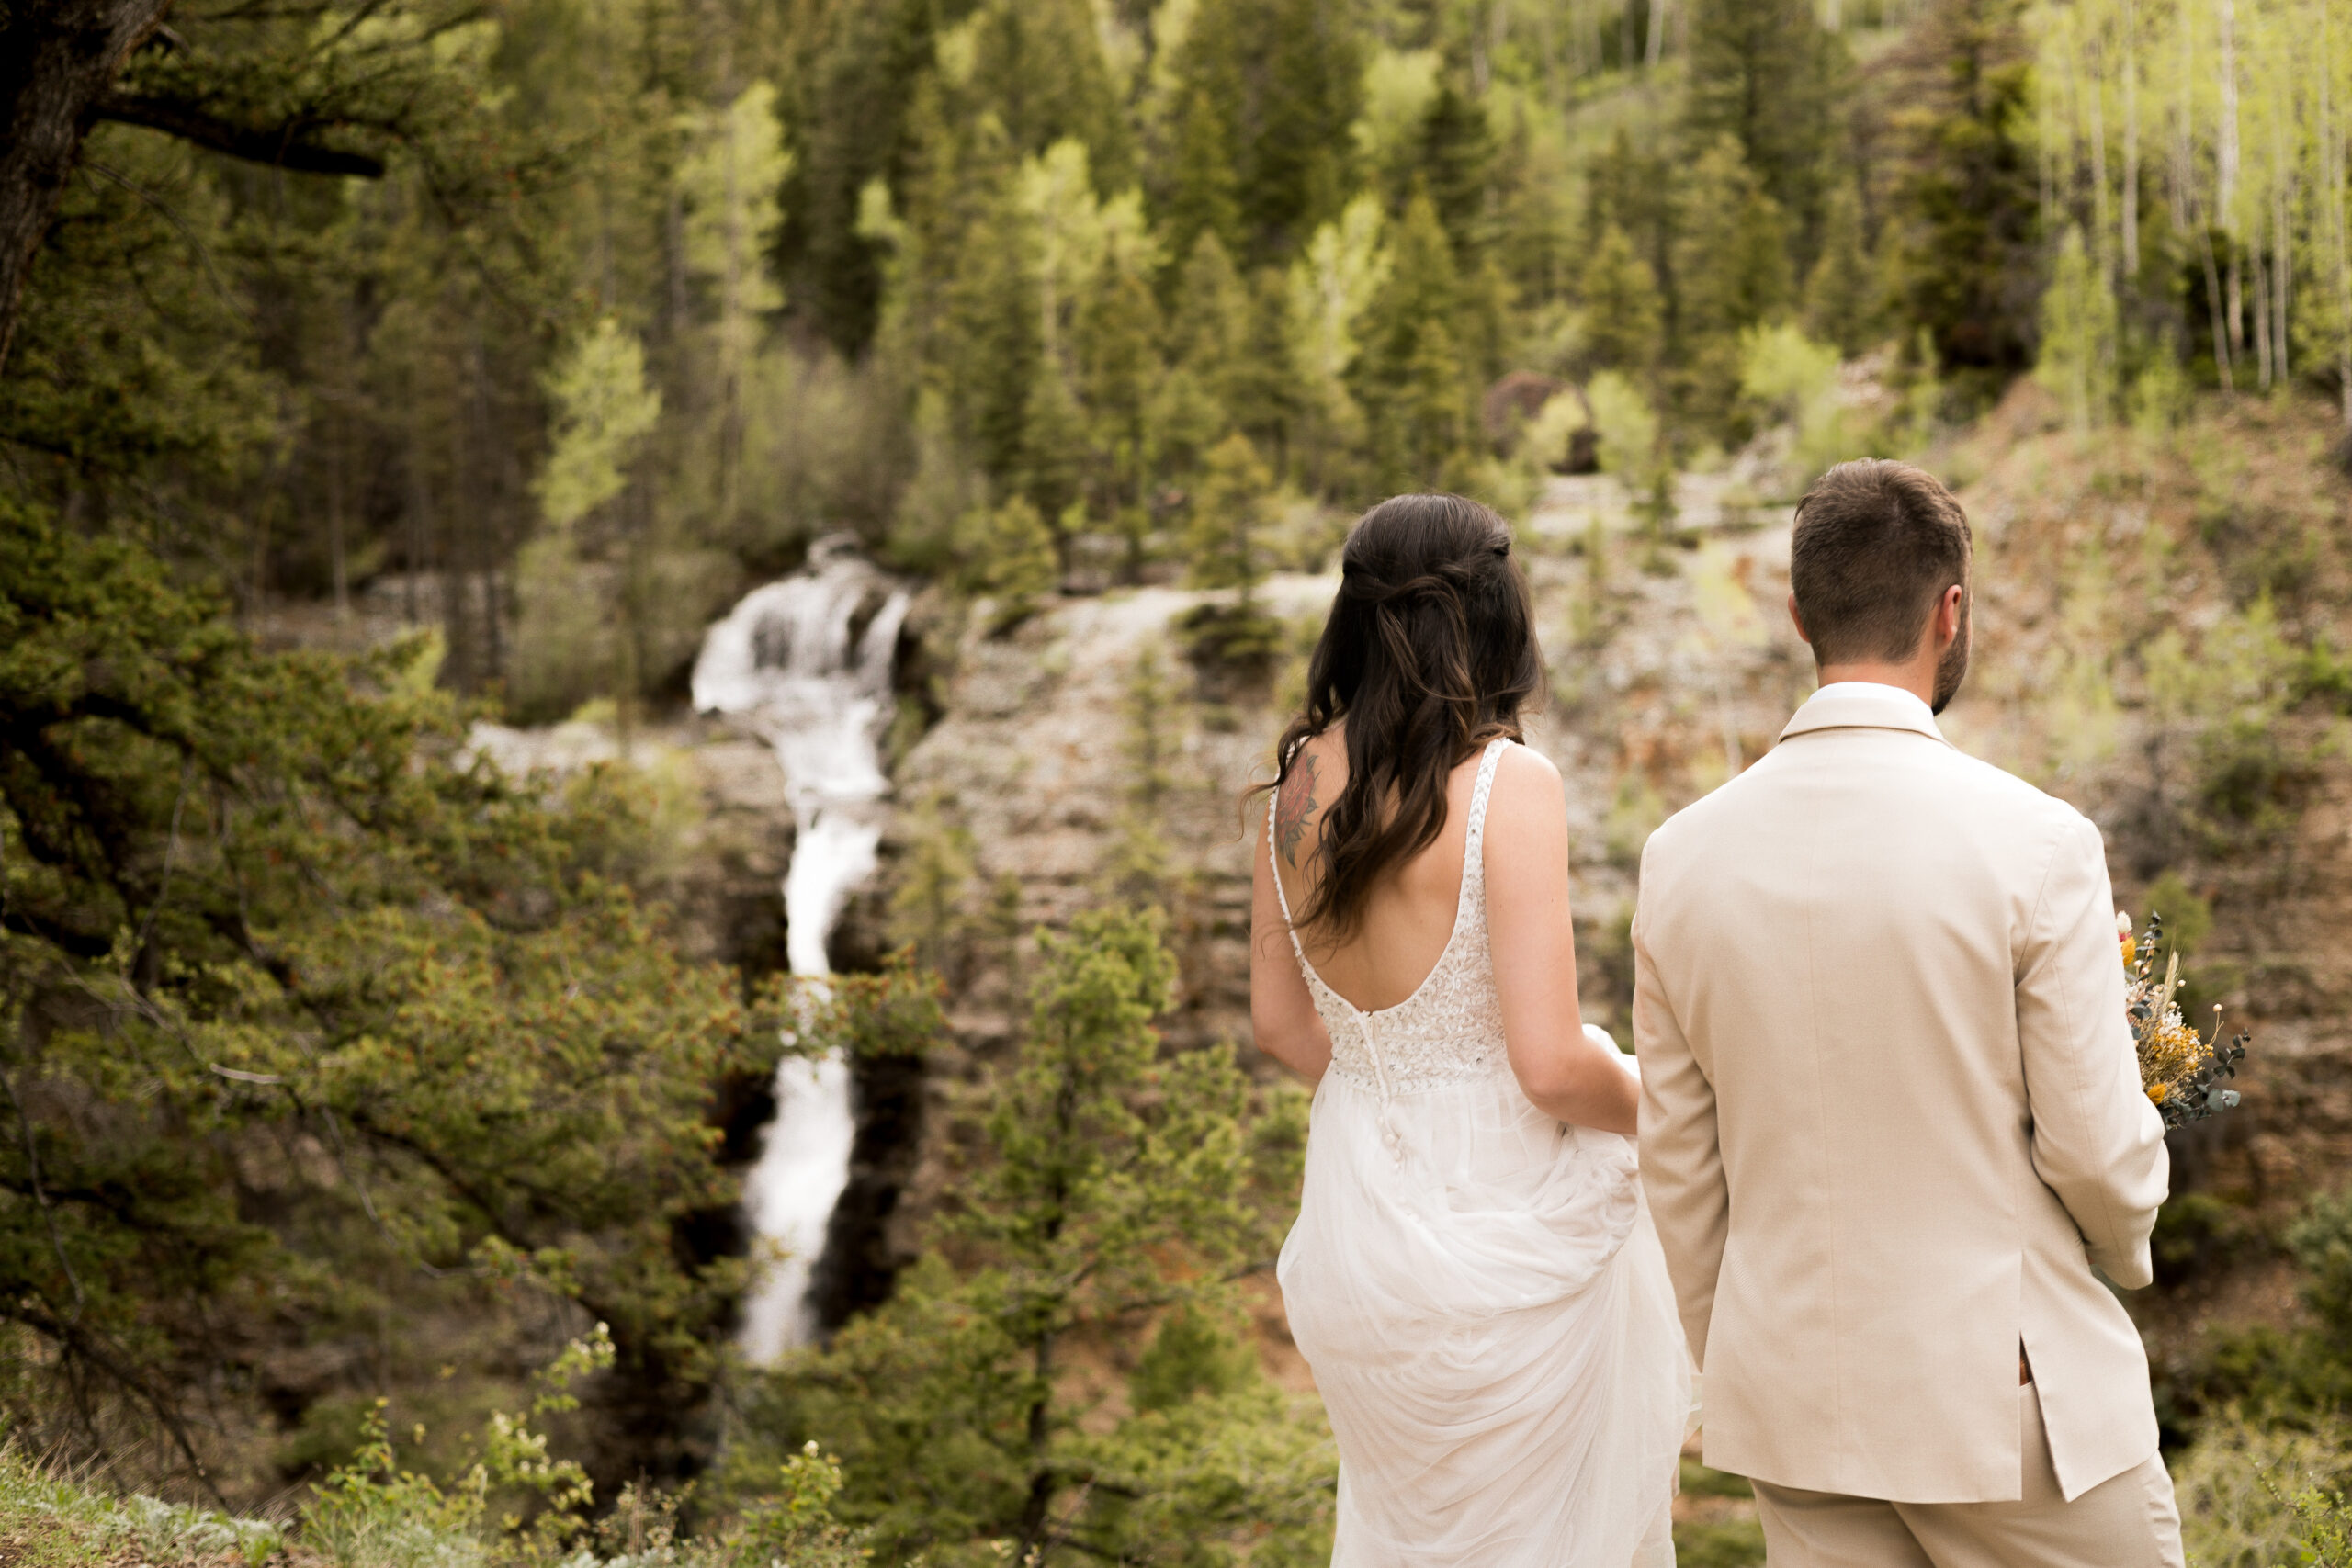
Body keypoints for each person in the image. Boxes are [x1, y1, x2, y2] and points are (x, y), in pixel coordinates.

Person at [1634, 459, 2182, 1567]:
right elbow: (2095, 1153)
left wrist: (1745, 1353)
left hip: (1795, 1407)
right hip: (2008, 1399)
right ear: (1951, 611)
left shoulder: (1677, 860)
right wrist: (2124, 1250)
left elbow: (1679, 1175)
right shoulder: (2037, 845)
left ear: (1796, 613)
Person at [1251, 492, 1690, 1568]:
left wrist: (1388, 1078)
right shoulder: (1506, 784)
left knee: (1414, 1536)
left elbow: (1278, 1025)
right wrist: (1674, 1106)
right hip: (1501, 1202)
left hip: (1357, 1217)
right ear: (1493, 613)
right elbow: (1547, 1065)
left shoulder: (1293, 785)